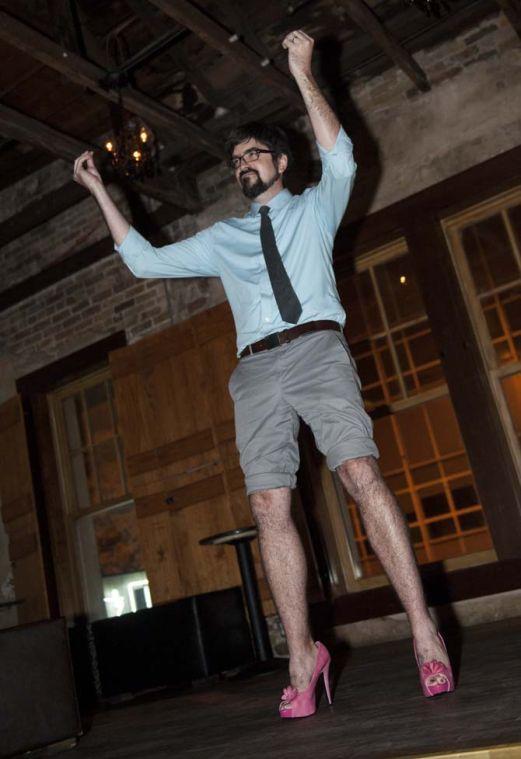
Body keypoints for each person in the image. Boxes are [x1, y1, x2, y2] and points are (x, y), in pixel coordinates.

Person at [73, 29, 454, 718]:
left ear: (280, 161)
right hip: (254, 371)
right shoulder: (225, 238)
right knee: (267, 506)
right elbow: (144, 262)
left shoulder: (315, 208)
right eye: (235, 158)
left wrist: (302, 71)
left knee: (359, 476)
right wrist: (100, 189)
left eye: (254, 152)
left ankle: (423, 628)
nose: (242, 163)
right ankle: (302, 653)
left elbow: (340, 154)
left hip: (315, 348)